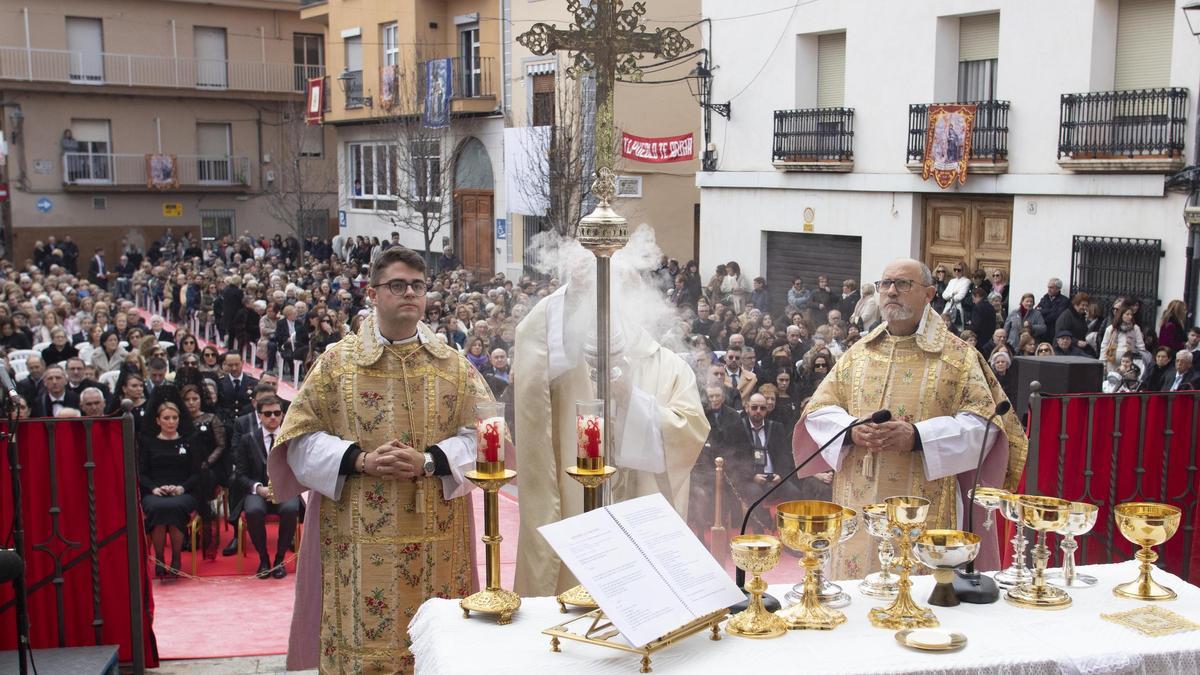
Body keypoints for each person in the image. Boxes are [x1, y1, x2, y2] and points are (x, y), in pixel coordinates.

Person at [267, 246, 491, 673]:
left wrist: (430, 461)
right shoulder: (337, 365)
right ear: (372, 293)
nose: (409, 294)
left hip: (438, 532)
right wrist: (360, 460)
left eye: (417, 286)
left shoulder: (453, 367)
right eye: (397, 285)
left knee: (436, 647)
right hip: (355, 533)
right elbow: (298, 440)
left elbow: (486, 438)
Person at [791, 258, 1026, 578]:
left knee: (917, 594)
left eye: (903, 284)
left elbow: (984, 426)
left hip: (926, 501)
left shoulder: (958, 357)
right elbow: (819, 410)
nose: (891, 291)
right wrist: (850, 431)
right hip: (858, 498)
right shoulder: (859, 353)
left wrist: (918, 437)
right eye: (885, 284)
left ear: (929, 294)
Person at [512, 243, 708, 599]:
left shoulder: (670, 367)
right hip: (577, 517)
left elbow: (688, 435)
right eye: (604, 293)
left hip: (641, 521)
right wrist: (573, 293)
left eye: (624, 291)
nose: (612, 303)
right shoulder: (568, 362)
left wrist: (631, 399)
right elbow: (531, 349)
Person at [232, 396, 299, 579]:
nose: (273, 417)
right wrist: (258, 488)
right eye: (268, 414)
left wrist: (283, 486)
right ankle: (263, 559)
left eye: (277, 413)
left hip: (284, 489)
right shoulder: (247, 440)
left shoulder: (291, 439)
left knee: (291, 509)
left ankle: (279, 560)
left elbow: (300, 469)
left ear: (283, 415)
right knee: (253, 511)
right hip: (257, 491)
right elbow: (240, 475)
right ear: (259, 416)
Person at [138, 401, 199, 578]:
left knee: (174, 507)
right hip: (155, 491)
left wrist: (182, 487)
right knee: (158, 508)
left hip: (183, 491)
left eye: (174, 418)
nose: (171, 422)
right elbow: (142, 474)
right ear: (158, 420)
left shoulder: (189, 441)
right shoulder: (148, 443)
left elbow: (196, 473)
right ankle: (159, 559)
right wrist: (154, 488)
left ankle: (176, 558)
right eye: (166, 418)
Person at [1100, 306, 1146, 373]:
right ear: (1121, 315)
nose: (1130, 317)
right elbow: (1104, 345)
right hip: (1112, 361)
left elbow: (1141, 345)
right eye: (1127, 314)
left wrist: (1143, 359)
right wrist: (1103, 362)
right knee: (1113, 378)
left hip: (1128, 361)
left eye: (1131, 315)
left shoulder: (1135, 328)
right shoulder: (1112, 328)